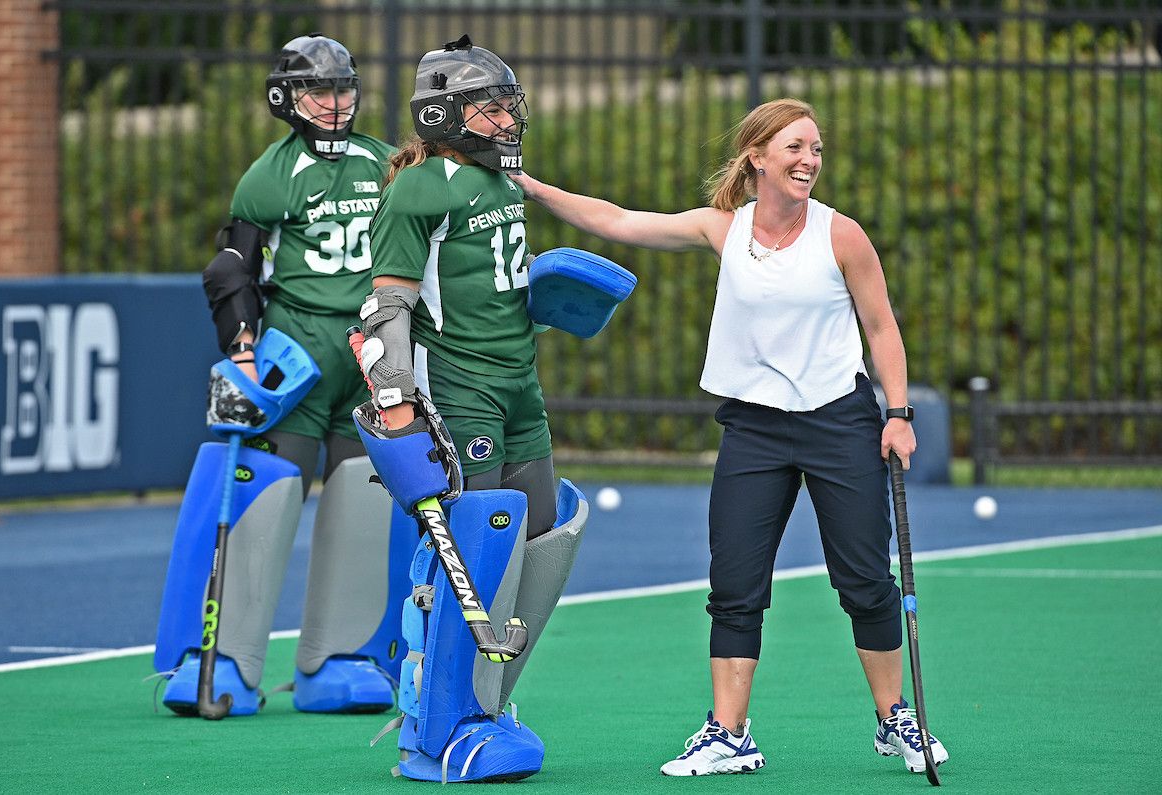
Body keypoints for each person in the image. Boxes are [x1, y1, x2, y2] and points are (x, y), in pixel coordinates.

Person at [509, 98, 949, 776]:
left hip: (839, 420)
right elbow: (621, 221)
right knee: (735, 582)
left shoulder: (841, 236)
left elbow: (881, 327)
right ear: (758, 157)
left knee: (863, 579)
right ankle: (728, 731)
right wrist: (536, 190)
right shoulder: (724, 228)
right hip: (754, 427)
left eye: (816, 149)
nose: (809, 160)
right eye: (796, 148)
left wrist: (898, 413)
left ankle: (895, 720)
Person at [354, 35, 589, 782]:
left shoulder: (504, 181)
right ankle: (434, 726)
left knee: (542, 525)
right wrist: (394, 402)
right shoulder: (420, 188)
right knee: (477, 535)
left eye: (506, 103)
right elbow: (388, 301)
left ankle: (484, 699)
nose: (505, 117)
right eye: (489, 106)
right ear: (442, 112)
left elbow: (491, 283)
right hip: (459, 384)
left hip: (520, 382)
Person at [160, 33, 408, 717]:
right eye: (318, 91)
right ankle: (228, 661)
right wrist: (242, 352)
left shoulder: (387, 164)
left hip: (372, 350)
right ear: (289, 98)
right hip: (295, 349)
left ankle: (340, 655)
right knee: (266, 494)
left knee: (365, 493)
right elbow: (232, 268)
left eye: (342, 89)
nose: (334, 103)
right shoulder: (271, 173)